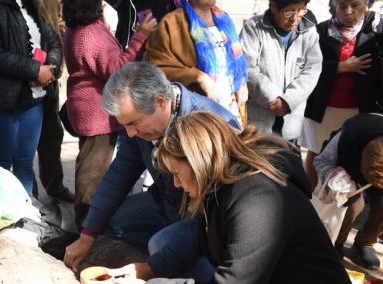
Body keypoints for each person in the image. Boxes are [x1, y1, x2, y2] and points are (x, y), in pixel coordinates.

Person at [107, 111, 357, 284]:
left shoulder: (258, 201)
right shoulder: (226, 181)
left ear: (199, 162)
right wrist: (147, 269)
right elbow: (197, 233)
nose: (176, 184)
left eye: (178, 173)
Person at [63, 62, 240, 277]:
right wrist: (87, 235)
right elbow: (119, 176)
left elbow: (224, 211)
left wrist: (152, 267)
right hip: (166, 203)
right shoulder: (140, 130)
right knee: (109, 220)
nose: (129, 133)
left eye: (134, 123)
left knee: (162, 244)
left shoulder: (212, 125)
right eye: (124, 125)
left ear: (160, 101)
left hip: (207, 220)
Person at [63, 0, 157, 228]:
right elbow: (116, 70)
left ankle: (89, 223)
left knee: (93, 167)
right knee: (92, 173)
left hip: (90, 108)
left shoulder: (85, 27)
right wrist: (141, 36)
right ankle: (85, 227)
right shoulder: (88, 34)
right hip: (95, 113)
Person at [0, 0, 62, 196]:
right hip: (1, 98)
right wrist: (35, 71)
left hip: (34, 98)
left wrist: (50, 69)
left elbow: (53, 41)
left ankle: (24, 216)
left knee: (24, 163)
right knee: (1, 164)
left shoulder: (32, 3)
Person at [301, 0, 383, 188]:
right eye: (342, 6)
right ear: (334, 6)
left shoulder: (375, 33)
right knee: (316, 152)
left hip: (359, 111)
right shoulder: (320, 32)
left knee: (352, 155)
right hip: (323, 108)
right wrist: (341, 67)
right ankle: (311, 198)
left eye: (355, 5)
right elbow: (306, 67)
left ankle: (346, 204)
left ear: (367, 5)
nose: (348, 12)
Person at [146, 0, 248, 120]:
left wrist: (242, 82)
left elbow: (236, 58)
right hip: (198, 113)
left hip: (231, 107)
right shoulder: (172, 22)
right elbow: (157, 67)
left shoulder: (223, 18)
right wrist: (198, 76)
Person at [240, 0, 322, 141]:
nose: (295, 19)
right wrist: (273, 98)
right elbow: (247, 67)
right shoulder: (254, 27)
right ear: (273, 7)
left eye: (301, 10)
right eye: (288, 12)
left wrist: (288, 101)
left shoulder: (309, 31)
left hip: (292, 119)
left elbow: (312, 69)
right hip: (260, 117)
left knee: (289, 159)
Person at [315, 113, 383, 270]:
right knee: (353, 205)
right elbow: (320, 161)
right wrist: (330, 172)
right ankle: (335, 243)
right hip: (347, 169)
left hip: (372, 170)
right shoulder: (347, 137)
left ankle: (365, 242)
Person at [33, 0, 75, 202]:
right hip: (15, 83)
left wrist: (51, 67)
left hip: (48, 78)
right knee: (20, 147)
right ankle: (28, 195)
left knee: (51, 135)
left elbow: (57, 30)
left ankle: (55, 187)